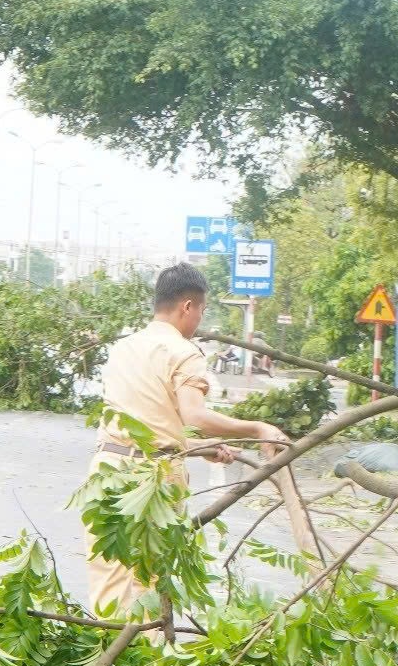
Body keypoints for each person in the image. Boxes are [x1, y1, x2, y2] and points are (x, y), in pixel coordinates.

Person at [85, 263, 289, 615]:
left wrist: (196, 448)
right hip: (155, 481)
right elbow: (195, 415)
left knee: (109, 578)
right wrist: (258, 428)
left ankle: (104, 659)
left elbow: (141, 429)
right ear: (188, 307)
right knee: (148, 580)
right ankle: (144, 664)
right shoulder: (183, 351)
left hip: (107, 470)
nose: (199, 320)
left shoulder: (123, 348)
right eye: (202, 311)